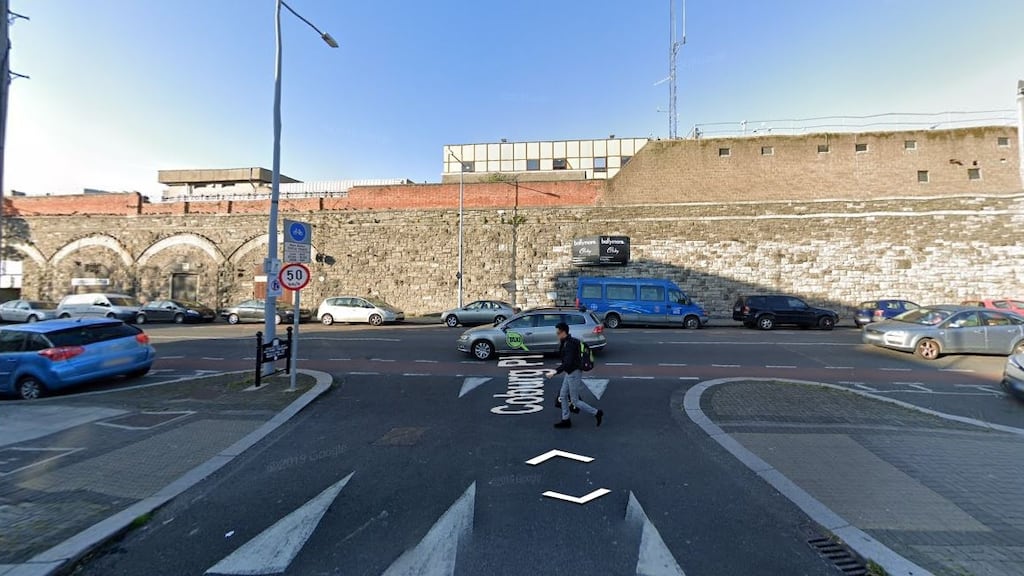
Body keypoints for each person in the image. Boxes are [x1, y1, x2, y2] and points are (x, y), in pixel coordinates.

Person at [546, 322, 603, 428]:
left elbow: (567, 362)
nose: (557, 334)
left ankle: (596, 413)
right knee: (563, 396)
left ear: (563, 332)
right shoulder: (567, 341)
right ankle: (566, 420)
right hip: (569, 372)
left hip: (573, 373)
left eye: (558, 332)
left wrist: (555, 372)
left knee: (575, 401)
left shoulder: (570, 344)